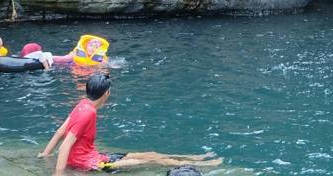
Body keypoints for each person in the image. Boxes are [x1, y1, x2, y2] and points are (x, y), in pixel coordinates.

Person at [39, 73, 222, 174]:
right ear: (106, 93)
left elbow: (60, 130)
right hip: (91, 164)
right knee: (152, 160)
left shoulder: (83, 104)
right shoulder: (88, 112)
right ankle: (205, 165)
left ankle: (194, 158)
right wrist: (58, 174)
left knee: (151, 154)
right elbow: (65, 144)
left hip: (95, 156)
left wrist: (45, 154)